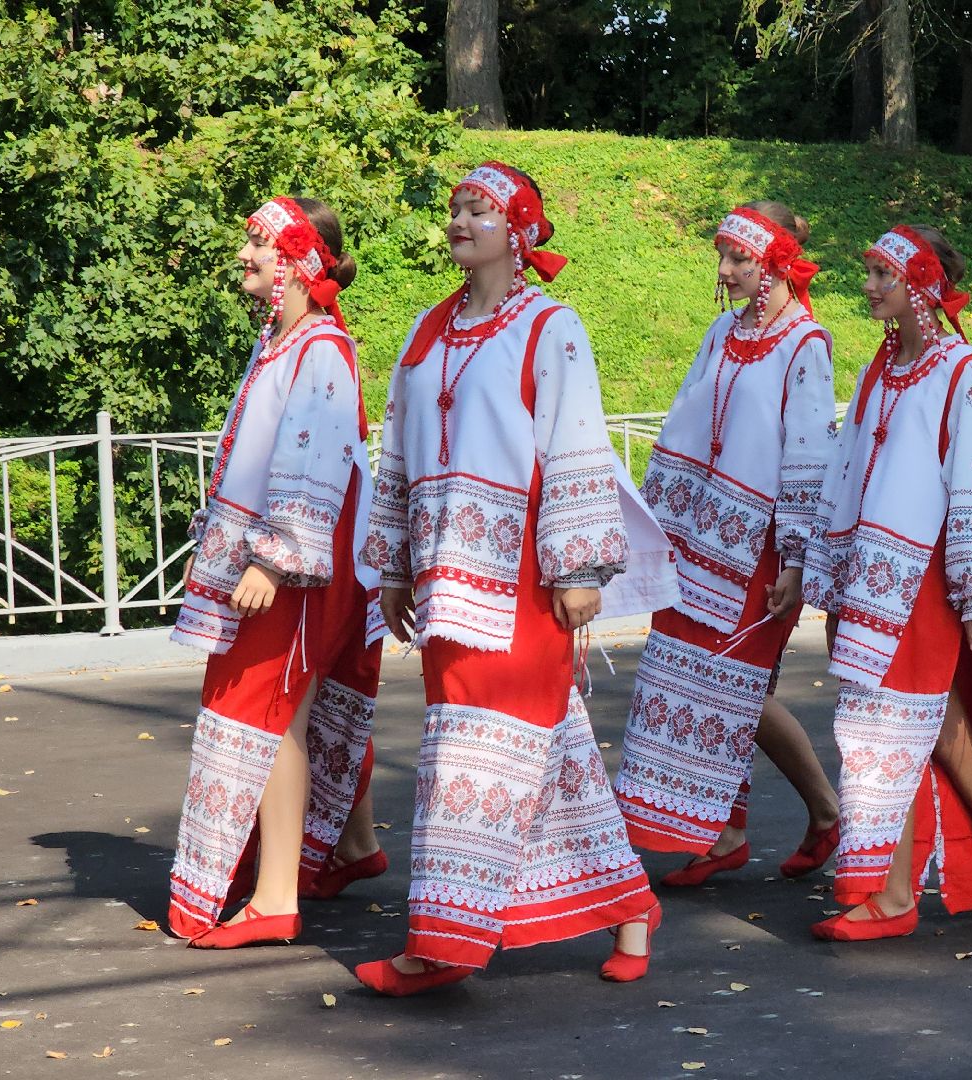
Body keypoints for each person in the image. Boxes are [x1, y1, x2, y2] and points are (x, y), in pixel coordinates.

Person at [353, 162, 680, 995]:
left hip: (522, 585)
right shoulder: (426, 332)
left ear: (521, 230)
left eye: (480, 209)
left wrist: (579, 568)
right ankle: (631, 903)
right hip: (442, 582)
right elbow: (397, 452)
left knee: (476, 753)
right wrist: (392, 563)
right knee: (542, 749)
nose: (460, 220)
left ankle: (439, 947)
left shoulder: (551, 326)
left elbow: (577, 445)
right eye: (456, 208)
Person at [802, 225, 972, 940]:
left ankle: (898, 896)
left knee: (893, 732)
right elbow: (846, 474)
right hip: (874, 579)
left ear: (919, 286)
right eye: (867, 271)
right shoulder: (880, 370)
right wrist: (830, 575)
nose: (866, 286)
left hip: (927, 584)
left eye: (879, 275)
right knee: (932, 735)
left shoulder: (962, 371)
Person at [168, 196, 385, 945]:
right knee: (299, 709)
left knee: (269, 711)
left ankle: (276, 897)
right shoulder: (287, 341)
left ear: (298, 260)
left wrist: (275, 557)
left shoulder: (318, 346)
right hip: (298, 555)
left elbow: (312, 460)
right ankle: (346, 847)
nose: (243, 255)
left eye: (257, 244)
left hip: (297, 563)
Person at [615, 202, 842, 885]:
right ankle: (728, 832)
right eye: (724, 257)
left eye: (739, 259)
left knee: (734, 688)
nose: (725, 270)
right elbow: (687, 416)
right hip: (697, 533)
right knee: (698, 673)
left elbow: (807, 458)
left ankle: (828, 813)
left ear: (774, 261)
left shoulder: (806, 345)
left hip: (759, 546)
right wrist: (658, 524)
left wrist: (798, 561)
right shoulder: (722, 331)